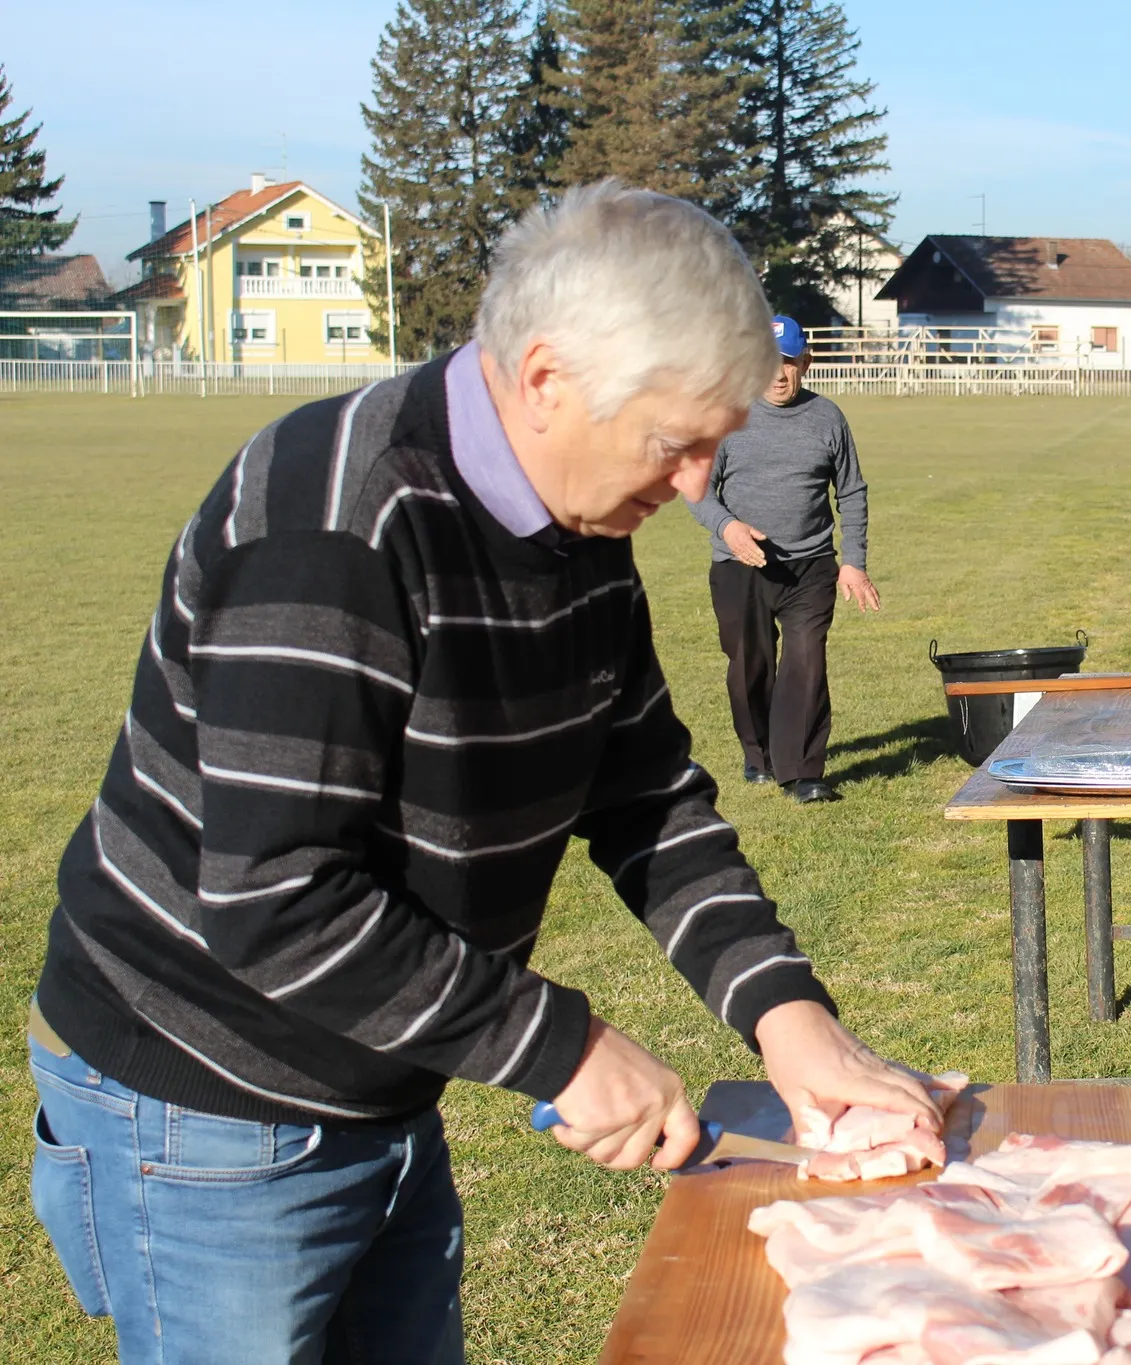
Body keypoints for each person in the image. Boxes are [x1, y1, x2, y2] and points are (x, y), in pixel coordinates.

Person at [25, 181, 939, 1363]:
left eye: (716, 444)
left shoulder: (582, 528)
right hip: (205, 1101)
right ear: (546, 378)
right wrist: (564, 1047)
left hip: (386, 1074)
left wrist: (786, 1016)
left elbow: (647, 799)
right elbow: (273, 900)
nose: (698, 488)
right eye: (676, 444)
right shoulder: (335, 521)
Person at [686, 315, 876, 804]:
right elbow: (698, 488)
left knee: (806, 661)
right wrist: (729, 527)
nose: (778, 373)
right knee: (750, 663)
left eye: (788, 362)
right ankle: (760, 756)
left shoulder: (827, 418)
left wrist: (852, 561)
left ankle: (804, 772)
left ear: (805, 363)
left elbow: (851, 491)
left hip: (810, 565)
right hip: (739, 564)